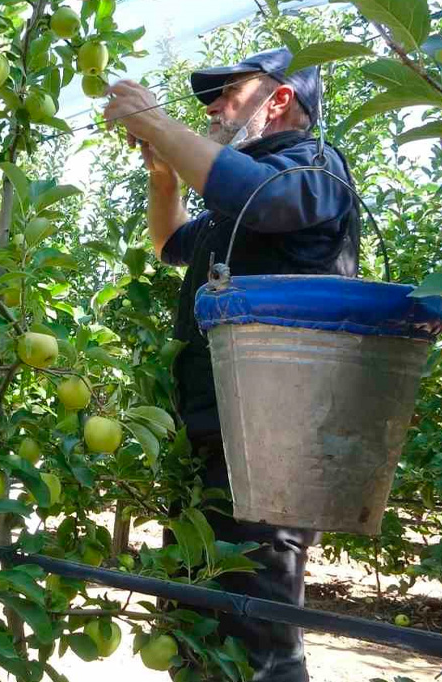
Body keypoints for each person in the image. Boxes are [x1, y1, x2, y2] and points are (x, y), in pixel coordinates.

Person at [103, 48, 360, 681]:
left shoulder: (313, 166)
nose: (212, 107)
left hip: (272, 444)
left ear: (279, 102)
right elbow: (169, 244)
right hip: (211, 434)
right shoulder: (234, 205)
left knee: (255, 634)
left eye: (227, 93)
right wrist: (164, 177)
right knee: (194, 619)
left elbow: (261, 199)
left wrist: (158, 122)